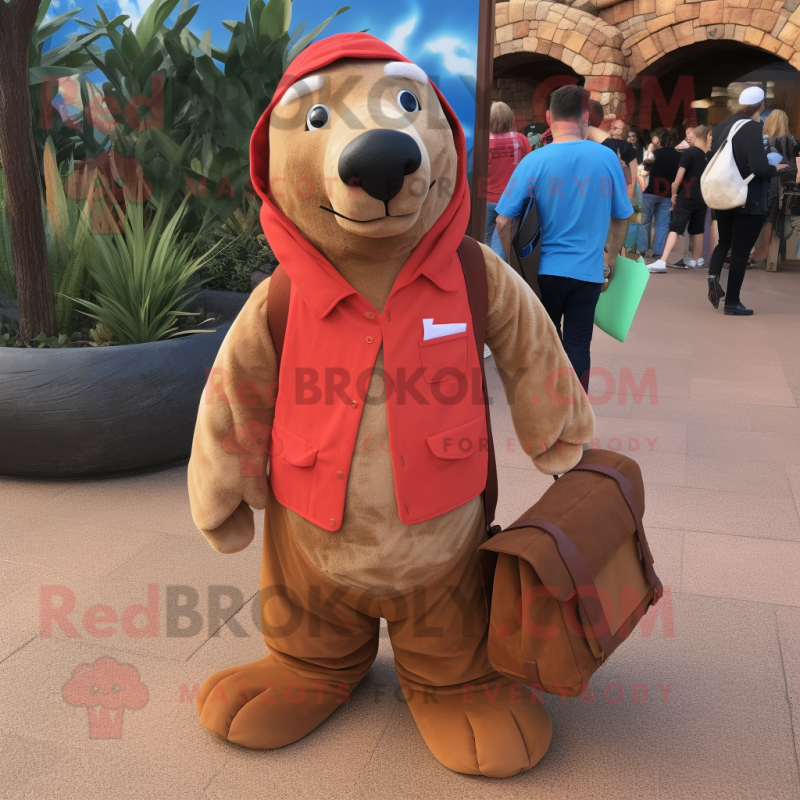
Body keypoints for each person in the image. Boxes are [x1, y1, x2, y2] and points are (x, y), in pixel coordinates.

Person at [495, 85, 633, 391]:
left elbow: (504, 219)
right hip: (588, 272)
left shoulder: (534, 160)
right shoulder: (607, 158)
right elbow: (622, 214)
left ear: (548, 117)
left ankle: (547, 413)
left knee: (544, 343)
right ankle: (577, 418)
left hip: (542, 271)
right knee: (579, 344)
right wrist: (608, 258)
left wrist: (516, 264)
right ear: (585, 117)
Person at [707, 86, 787, 316]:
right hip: (748, 197)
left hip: (724, 194)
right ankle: (732, 302)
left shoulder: (723, 125)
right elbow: (759, 167)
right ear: (761, 104)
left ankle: (713, 278)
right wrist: (777, 167)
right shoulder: (751, 127)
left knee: (724, 242)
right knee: (741, 252)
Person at [649, 124, 710, 271]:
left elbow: (679, 176)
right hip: (702, 197)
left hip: (685, 197)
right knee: (698, 230)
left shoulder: (689, 154)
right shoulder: (707, 155)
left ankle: (662, 261)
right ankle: (696, 260)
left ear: (694, 137)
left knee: (675, 228)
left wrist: (674, 193)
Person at [485, 101, 532, 258]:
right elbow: (529, 168)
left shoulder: (483, 141)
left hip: (485, 200)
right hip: (511, 202)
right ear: (510, 118)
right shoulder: (521, 140)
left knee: (483, 244)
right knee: (502, 247)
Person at [751, 109, 798, 265]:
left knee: (762, 215)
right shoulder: (791, 140)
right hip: (783, 183)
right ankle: (768, 252)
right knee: (774, 216)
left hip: (763, 180)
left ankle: (759, 251)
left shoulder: (762, 140)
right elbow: (793, 164)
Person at [638, 127, 682, 269]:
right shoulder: (678, 156)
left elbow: (645, 168)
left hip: (650, 191)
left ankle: (642, 250)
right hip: (666, 193)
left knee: (644, 222)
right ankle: (658, 252)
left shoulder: (655, 153)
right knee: (662, 224)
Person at [606, 118, 639, 197]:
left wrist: (631, 193)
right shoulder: (605, 143)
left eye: (615, 128)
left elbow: (634, 172)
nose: (612, 129)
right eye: (611, 127)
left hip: (622, 186)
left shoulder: (627, 147)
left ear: (622, 131)